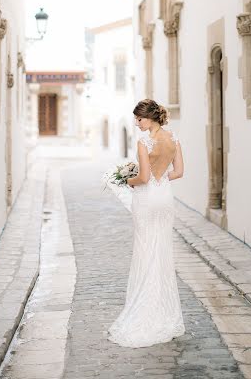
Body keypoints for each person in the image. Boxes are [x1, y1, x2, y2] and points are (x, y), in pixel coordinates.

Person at [107, 99, 185, 348]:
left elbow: (142, 177)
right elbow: (179, 172)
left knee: (144, 252)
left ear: (149, 118)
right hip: (164, 199)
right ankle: (165, 312)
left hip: (147, 200)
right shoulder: (173, 138)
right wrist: (159, 180)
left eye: (139, 119)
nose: (137, 123)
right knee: (162, 252)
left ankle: (145, 312)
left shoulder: (144, 142)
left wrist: (121, 181)